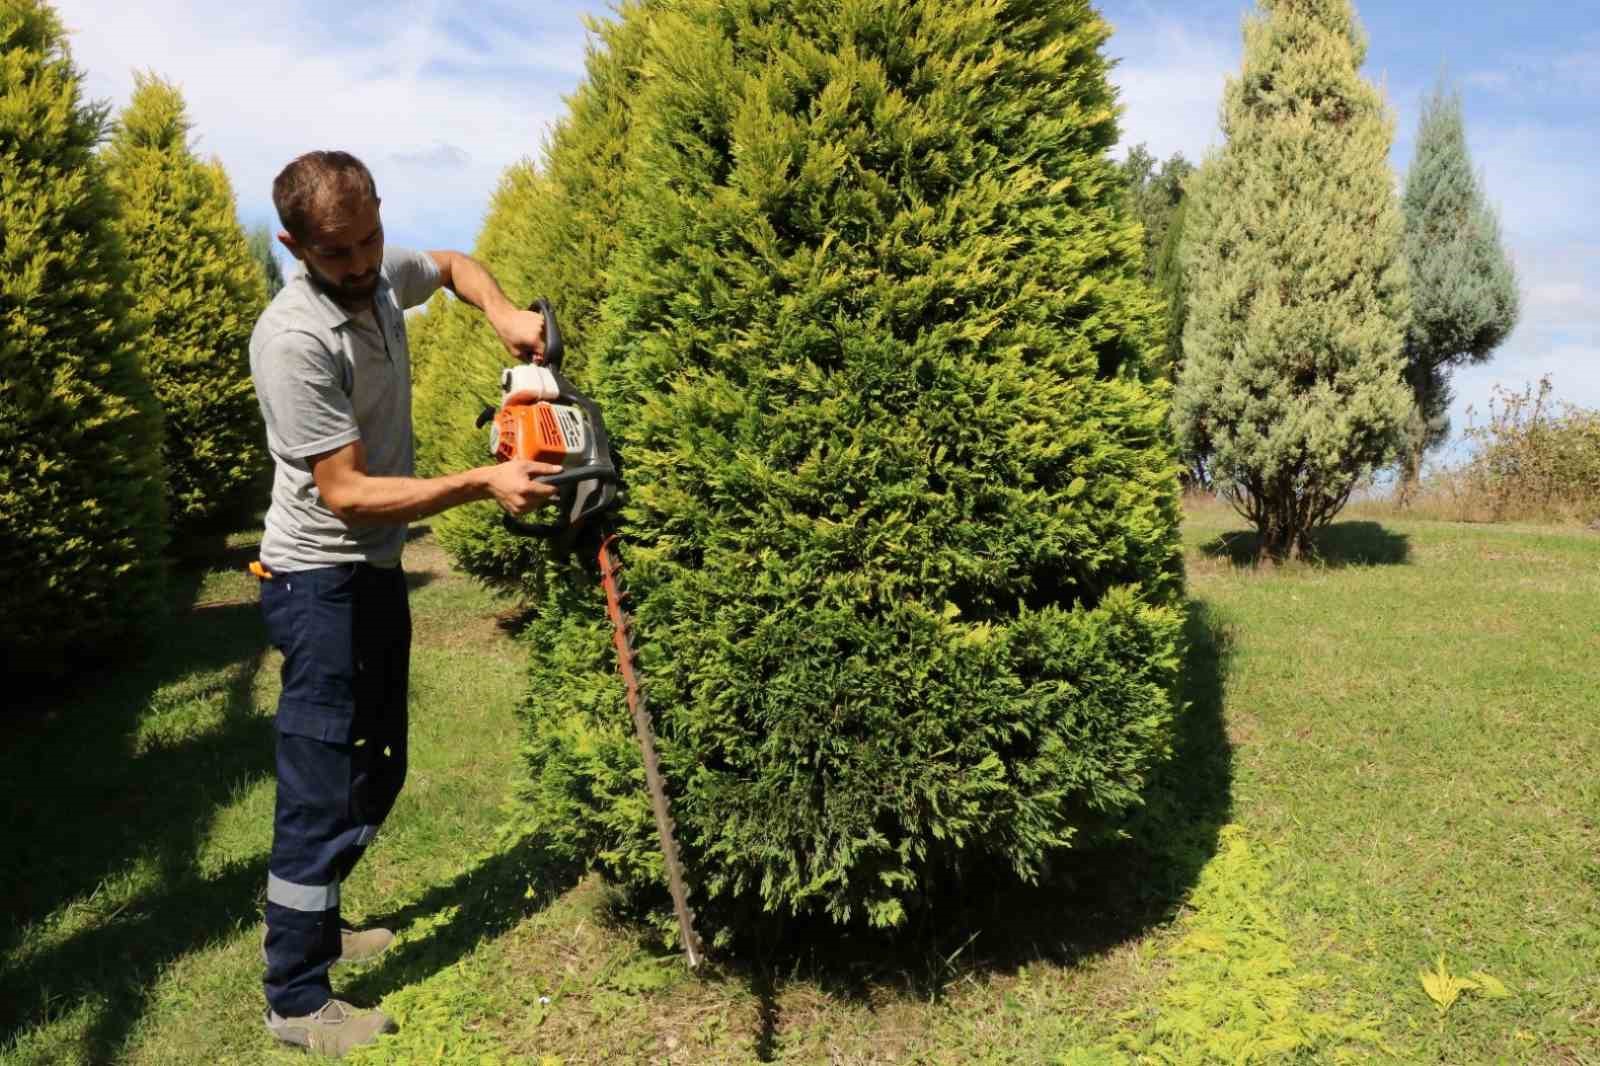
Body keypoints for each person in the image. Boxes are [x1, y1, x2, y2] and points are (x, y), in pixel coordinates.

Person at [248, 150, 559, 1057]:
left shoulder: (380, 275)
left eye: (369, 240)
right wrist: (481, 481)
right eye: (337, 253)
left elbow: (456, 267)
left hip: (372, 575)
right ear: (295, 245)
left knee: (378, 767)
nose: (359, 265)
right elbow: (343, 492)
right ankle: (297, 997)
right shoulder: (294, 338)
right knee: (317, 789)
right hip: (315, 582)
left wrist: (500, 309)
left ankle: (319, 919)